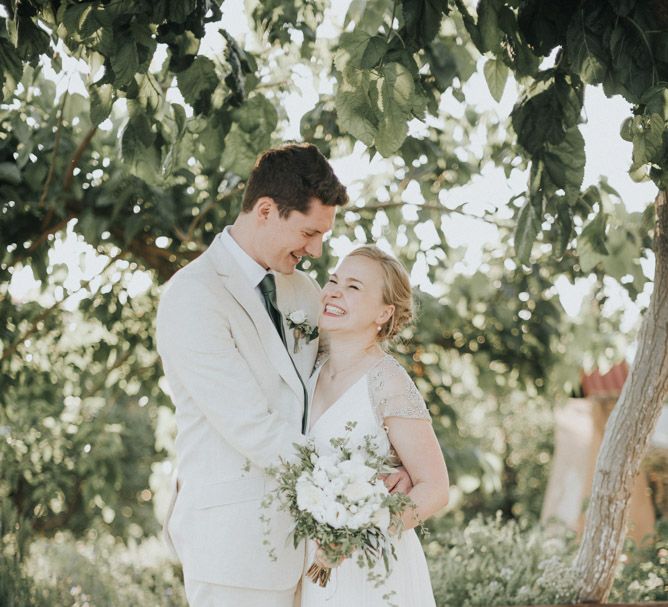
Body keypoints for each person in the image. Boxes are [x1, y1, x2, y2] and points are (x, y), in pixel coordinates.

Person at [155, 144, 411, 607]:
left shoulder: (302, 289)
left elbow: (352, 370)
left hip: (316, 552)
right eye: (309, 232)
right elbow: (251, 427)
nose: (316, 250)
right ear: (267, 211)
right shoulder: (193, 296)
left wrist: (398, 469)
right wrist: (360, 486)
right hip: (234, 548)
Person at [301, 245, 450, 607]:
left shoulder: (387, 381)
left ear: (384, 312)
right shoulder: (307, 367)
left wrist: (364, 529)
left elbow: (435, 487)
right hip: (311, 561)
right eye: (333, 280)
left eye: (353, 287)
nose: (334, 290)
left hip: (371, 570)